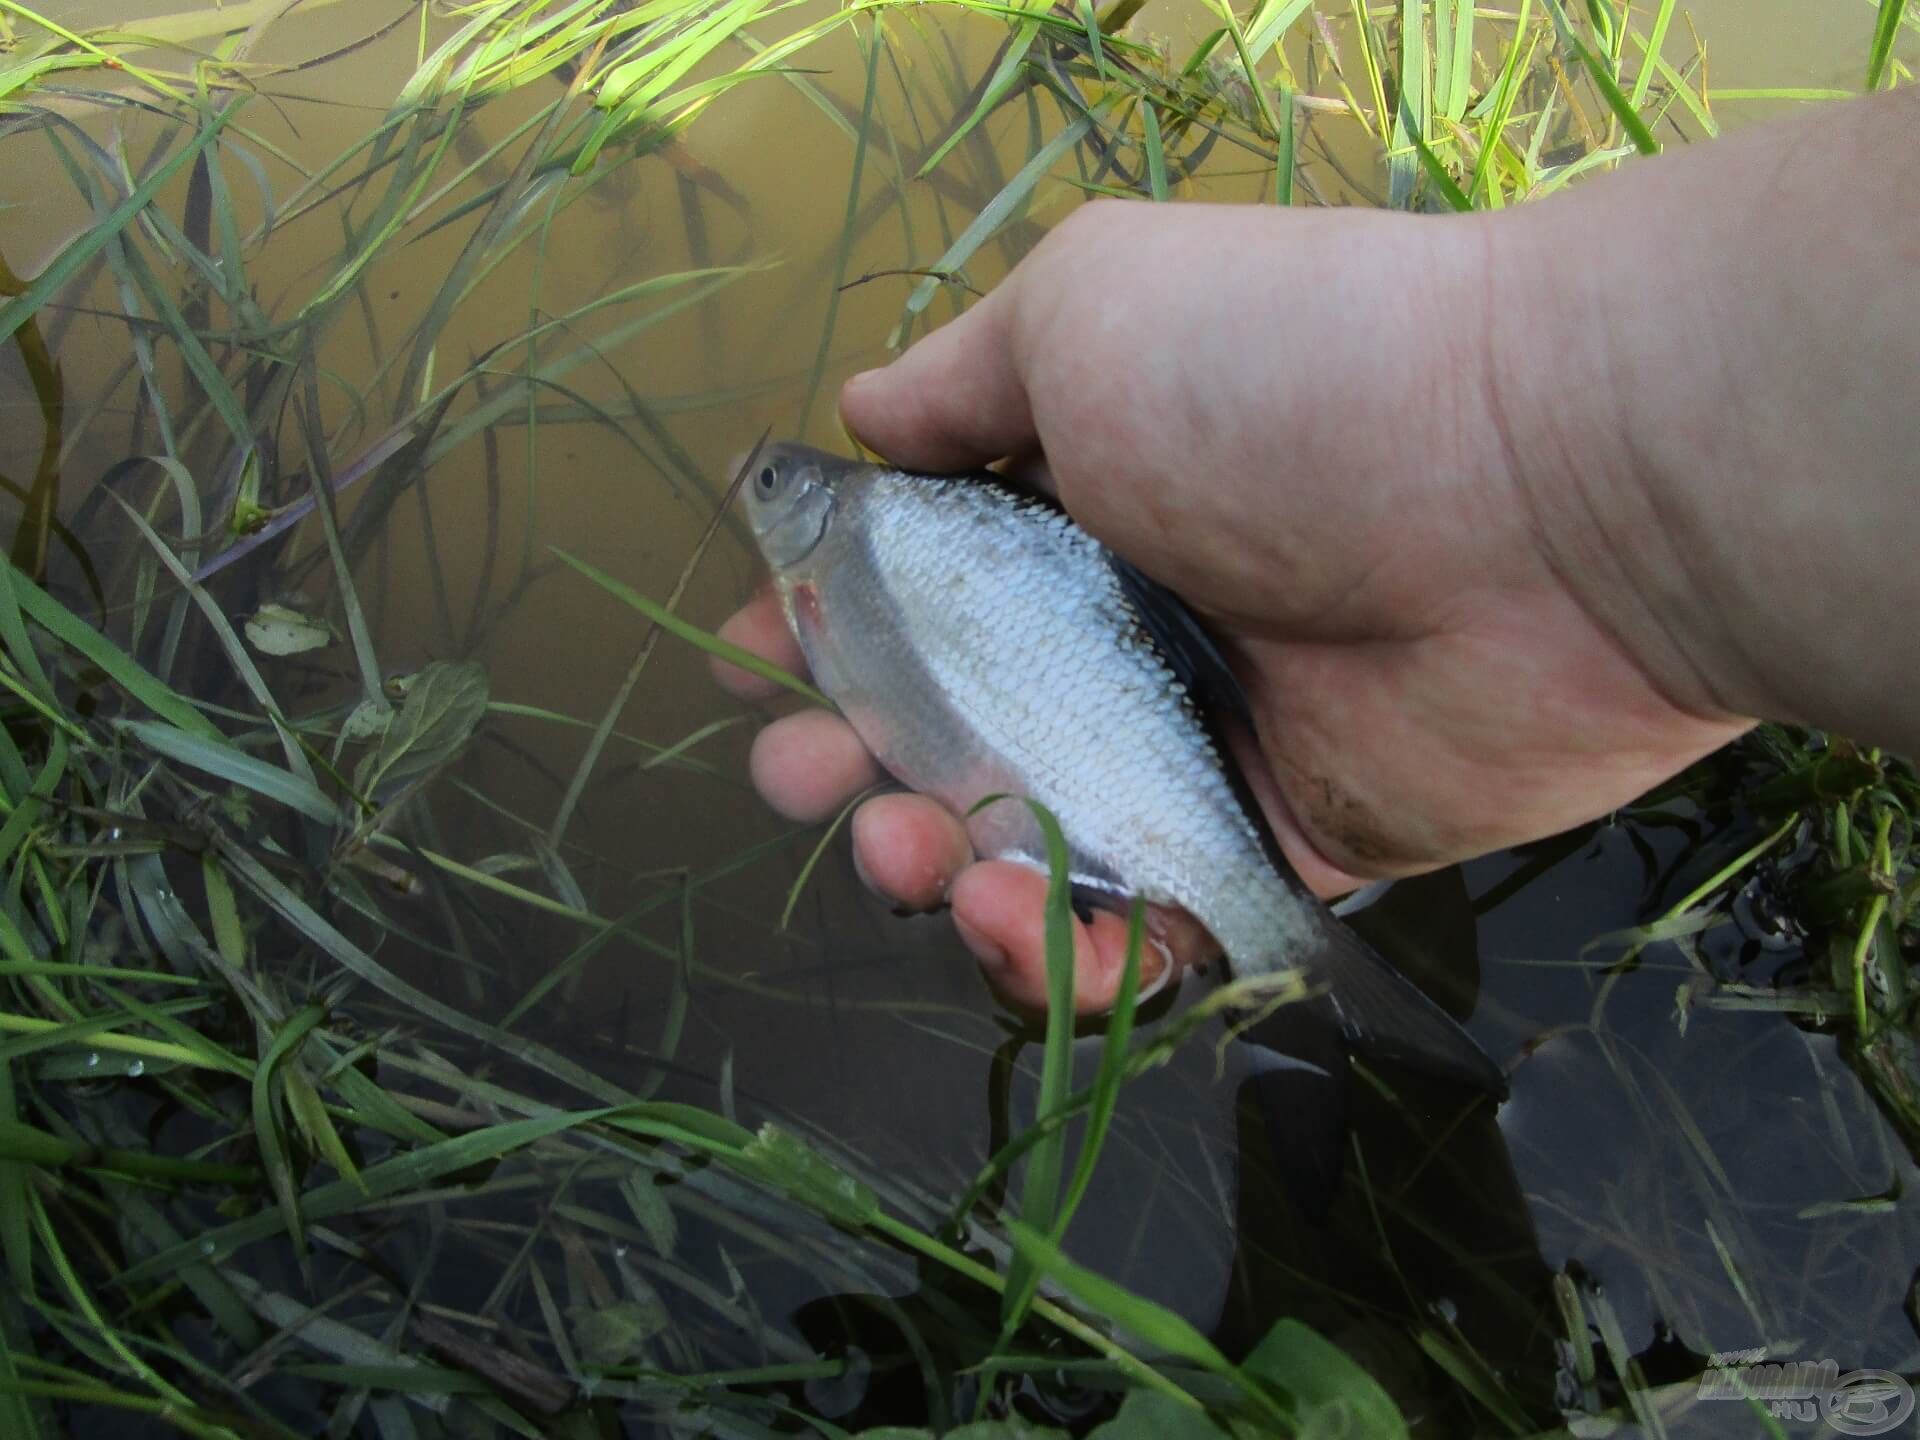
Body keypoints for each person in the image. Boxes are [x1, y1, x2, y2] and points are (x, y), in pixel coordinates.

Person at [712, 85, 1919, 1017]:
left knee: (901, 825)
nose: (765, 487)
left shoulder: (865, 530)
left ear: (810, 513)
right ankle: (1318, 1005)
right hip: (1150, 728)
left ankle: (1305, 989)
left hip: (1148, 723)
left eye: (775, 484)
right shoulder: (876, 535)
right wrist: (1565, 465)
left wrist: (1547, 446)